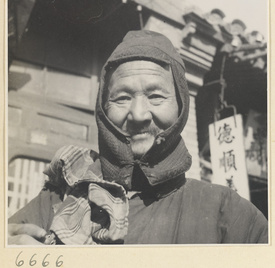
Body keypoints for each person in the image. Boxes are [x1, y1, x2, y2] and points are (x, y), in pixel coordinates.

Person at [8, 30, 268, 244]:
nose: (139, 114)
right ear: (103, 110)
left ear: (181, 106)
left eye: (156, 96)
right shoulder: (57, 199)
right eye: (121, 98)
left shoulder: (229, 214)